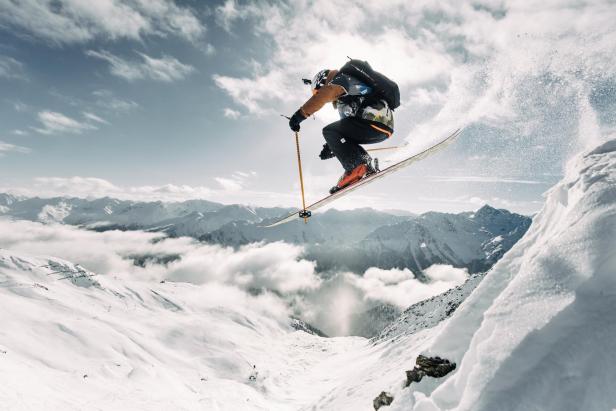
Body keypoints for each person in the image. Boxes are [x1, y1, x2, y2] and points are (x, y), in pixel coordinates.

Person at [288, 68, 395, 194]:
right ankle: (364, 164)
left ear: (322, 82)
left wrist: (299, 116)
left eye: (318, 91)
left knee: (328, 130)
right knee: (333, 133)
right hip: (381, 127)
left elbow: (325, 94)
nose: (319, 93)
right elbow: (345, 131)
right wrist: (332, 146)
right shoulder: (346, 94)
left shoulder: (341, 80)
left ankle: (357, 167)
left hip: (373, 121)